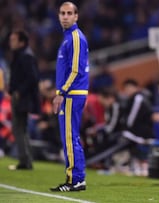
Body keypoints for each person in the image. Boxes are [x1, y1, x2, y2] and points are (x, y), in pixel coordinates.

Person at [50, 2, 89, 192]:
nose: (65, 16)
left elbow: (75, 70)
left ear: (76, 16)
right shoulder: (68, 38)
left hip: (72, 94)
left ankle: (76, 180)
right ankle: (76, 178)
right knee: (70, 137)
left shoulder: (74, 38)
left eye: (69, 13)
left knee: (69, 137)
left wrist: (61, 93)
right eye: (62, 13)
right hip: (72, 93)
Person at [8, 30, 40, 170]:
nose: (11, 42)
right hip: (20, 96)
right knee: (22, 128)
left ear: (21, 41)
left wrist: (19, 91)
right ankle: (26, 160)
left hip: (22, 98)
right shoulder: (22, 54)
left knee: (18, 128)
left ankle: (24, 161)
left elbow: (32, 77)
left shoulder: (26, 56)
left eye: (14, 40)